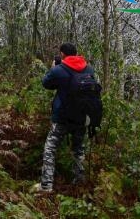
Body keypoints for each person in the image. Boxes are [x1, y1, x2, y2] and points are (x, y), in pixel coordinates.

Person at [34, 42, 95, 193]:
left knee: (50, 149)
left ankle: (46, 186)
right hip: (82, 118)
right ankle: (80, 184)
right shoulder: (89, 69)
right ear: (76, 53)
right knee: (78, 150)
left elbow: (46, 83)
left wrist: (53, 67)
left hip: (61, 118)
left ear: (62, 54)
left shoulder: (59, 70)